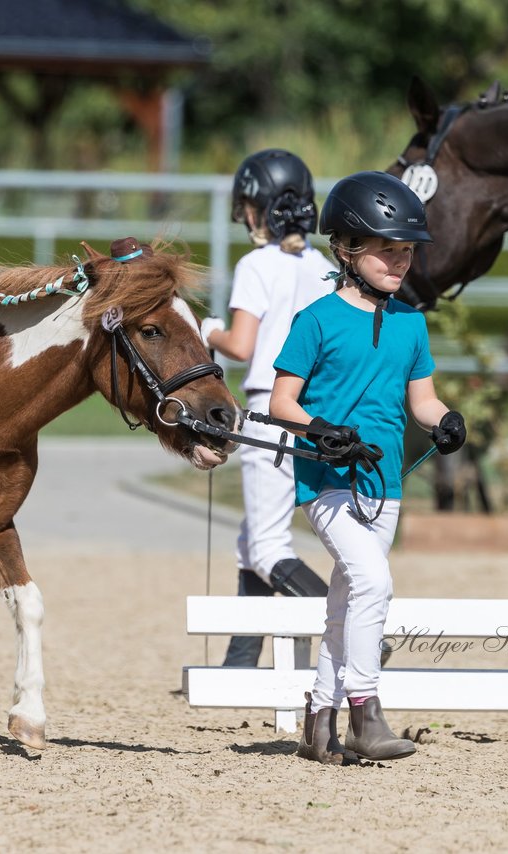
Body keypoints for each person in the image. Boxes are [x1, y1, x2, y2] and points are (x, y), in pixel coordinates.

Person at [269, 171, 467, 764]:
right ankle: (366, 712)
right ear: (346, 250)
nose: (401, 262)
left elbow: (422, 402)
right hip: (328, 482)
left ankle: (319, 724)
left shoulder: (411, 323)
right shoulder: (316, 320)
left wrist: (446, 420)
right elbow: (282, 401)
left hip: (386, 485)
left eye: (407, 252)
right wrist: (319, 430)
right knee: (374, 582)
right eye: (388, 250)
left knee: (345, 603)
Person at [199, 149, 335, 668]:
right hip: (310, 414)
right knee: (250, 539)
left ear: (261, 210)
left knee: (268, 545)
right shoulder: (322, 267)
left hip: (266, 413)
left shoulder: (256, 265)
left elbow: (241, 346)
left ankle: (354, 631)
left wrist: (205, 328)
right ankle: (239, 663)